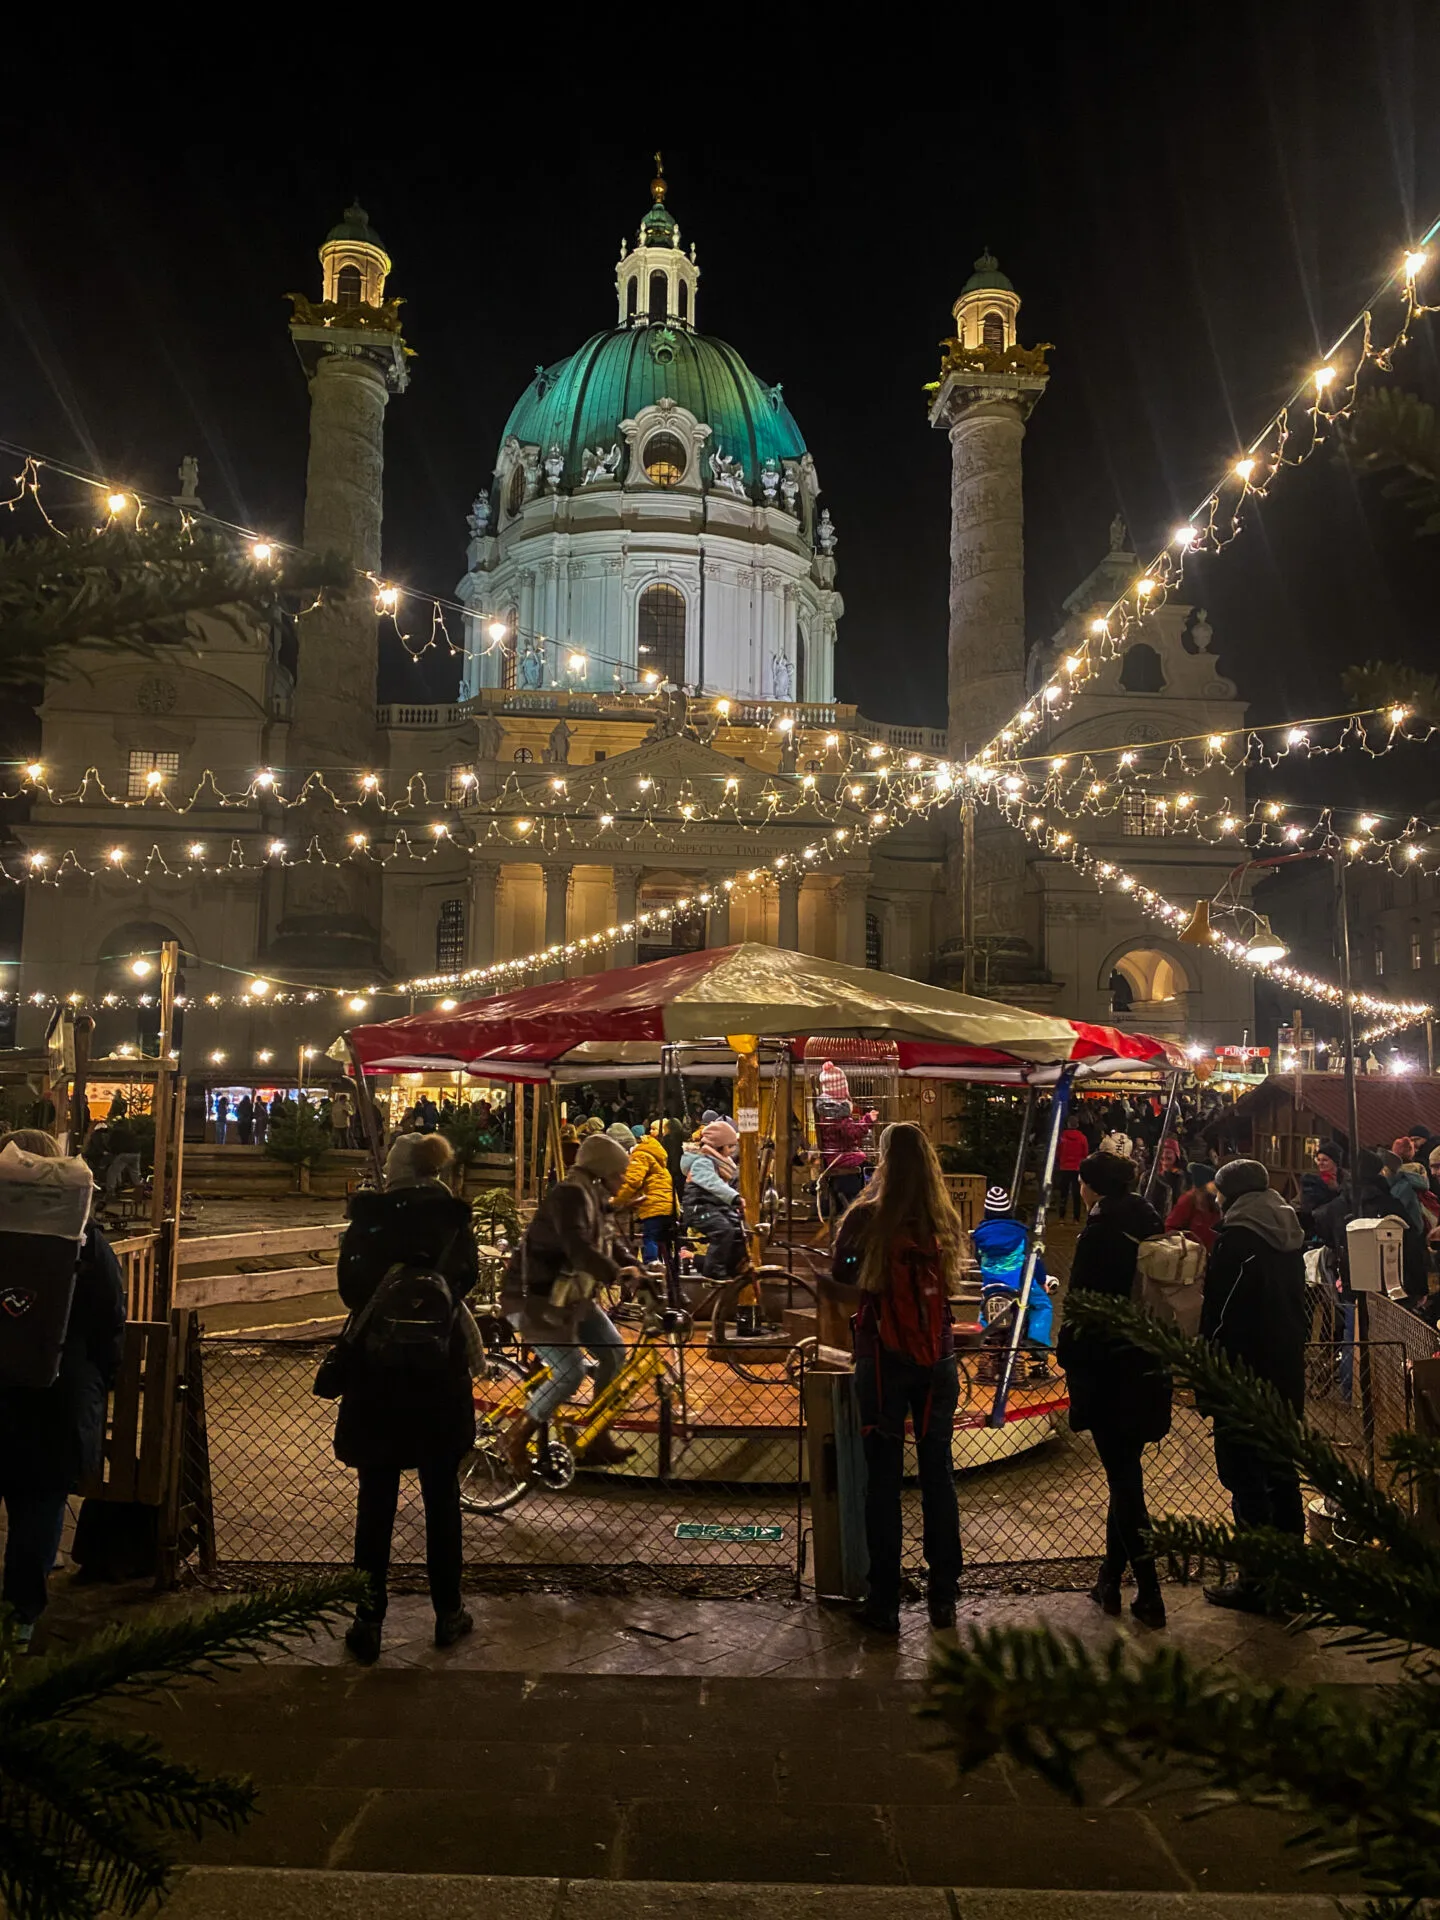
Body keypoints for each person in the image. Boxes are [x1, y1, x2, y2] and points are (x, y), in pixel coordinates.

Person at [334, 1132, 479, 1664]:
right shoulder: (452, 1218)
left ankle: (368, 1620)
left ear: (394, 1167)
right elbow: (467, 1279)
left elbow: (350, 1290)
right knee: (442, 1500)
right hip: (438, 1373)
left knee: (376, 1501)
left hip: (378, 1374)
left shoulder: (371, 1216)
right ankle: (448, 1612)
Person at [831, 1121, 965, 1635]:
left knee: (882, 1483)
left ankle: (884, 1599)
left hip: (883, 1361)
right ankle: (944, 1595)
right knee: (939, 1476)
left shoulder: (868, 1216)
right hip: (939, 1360)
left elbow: (843, 1272)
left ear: (884, 1160)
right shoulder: (942, 1216)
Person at [0, 1129, 124, 1647]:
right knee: (41, 1503)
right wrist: (100, 1385)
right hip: (56, 1397)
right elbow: (109, 1321)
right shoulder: (85, 1241)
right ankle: (20, 1617)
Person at [1057, 1151, 1171, 1630]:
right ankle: (1110, 1578)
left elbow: (1082, 1305)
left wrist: (1066, 1352)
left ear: (1090, 1186)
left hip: (1109, 1370)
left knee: (1125, 1484)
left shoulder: (1101, 1232)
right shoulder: (1149, 1222)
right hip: (1149, 1361)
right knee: (1125, 1476)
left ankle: (1149, 1592)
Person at [1200, 1159, 1308, 1613]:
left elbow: (1221, 1317)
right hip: (1284, 1372)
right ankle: (1293, 1581)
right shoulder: (1288, 1237)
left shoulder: (1238, 1241)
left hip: (1242, 1377)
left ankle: (1257, 1580)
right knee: (1282, 1476)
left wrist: (1207, 1374)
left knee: (1245, 1478)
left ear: (1231, 1194)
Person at [503, 1132, 638, 1474]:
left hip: (570, 1297)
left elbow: (607, 1242)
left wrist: (636, 1269)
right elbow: (579, 1247)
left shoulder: (595, 1197)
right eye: (619, 1173)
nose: (623, 1180)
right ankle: (516, 1436)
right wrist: (617, 1275)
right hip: (534, 1297)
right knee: (570, 1372)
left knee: (613, 1350)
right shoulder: (569, 1196)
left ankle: (597, 1435)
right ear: (601, 1171)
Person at [971, 1184, 1055, 1382]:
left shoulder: (980, 1235)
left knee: (986, 1309)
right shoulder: (1020, 1234)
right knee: (1043, 1305)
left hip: (991, 1286)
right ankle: (1036, 1343)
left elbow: (978, 1259)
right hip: (1019, 1286)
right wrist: (1042, 1280)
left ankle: (986, 1345)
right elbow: (1033, 1260)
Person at [680, 1119, 747, 1281]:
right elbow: (713, 1184)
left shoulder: (720, 1163)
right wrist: (734, 1198)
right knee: (724, 1230)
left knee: (741, 1230)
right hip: (699, 1208)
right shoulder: (702, 1163)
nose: (732, 1150)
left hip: (713, 1206)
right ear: (719, 1146)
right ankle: (712, 1269)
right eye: (730, 1146)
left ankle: (730, 1265)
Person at [613, 1124, 678, 1266]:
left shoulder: (640, 1156)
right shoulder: (654, 1155)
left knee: (650, 1238)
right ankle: (670, 1272)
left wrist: (615, 1201)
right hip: (668, 1204)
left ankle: (652, 1267)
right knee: (664, 1242)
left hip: (654, 1205)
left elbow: (632, 1182)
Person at [1165, 1162, 1221, 1252]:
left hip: (1212, 1253)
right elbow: (1171, 1227)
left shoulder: (1216, 1200)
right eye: (1213, 1182)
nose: (1216, 1186)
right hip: (1193, 1254)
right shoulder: (1188, 1200)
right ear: (1204, 1184)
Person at [1055, 1119, 1090, 1220]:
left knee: (1063, 1192)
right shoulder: (1082, 1137)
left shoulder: (1062, 1137)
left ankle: (1061, 1216)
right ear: (1077, 1125)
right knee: (1077, 1193)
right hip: (1077, 1167)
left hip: (1064, 1167)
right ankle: (1076, 1217)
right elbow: (1085, 1152)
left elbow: (1057, 1151)